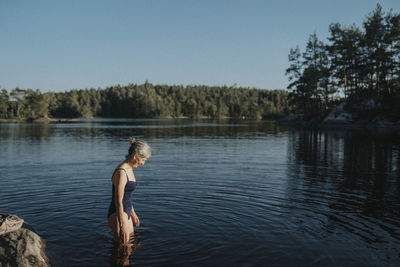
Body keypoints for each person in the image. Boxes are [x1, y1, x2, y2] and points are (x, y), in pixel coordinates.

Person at [108, 137, 151, 244]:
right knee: (123, 250)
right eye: (143, 160)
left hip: (126, 211)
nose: (143, 163)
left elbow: (127, 196)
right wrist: (121, 223)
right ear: (135, 156)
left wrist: (132, 213)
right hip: (118, 213)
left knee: (129, 246)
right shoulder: (121, 172)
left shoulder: (129, 168)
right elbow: (118, 201)